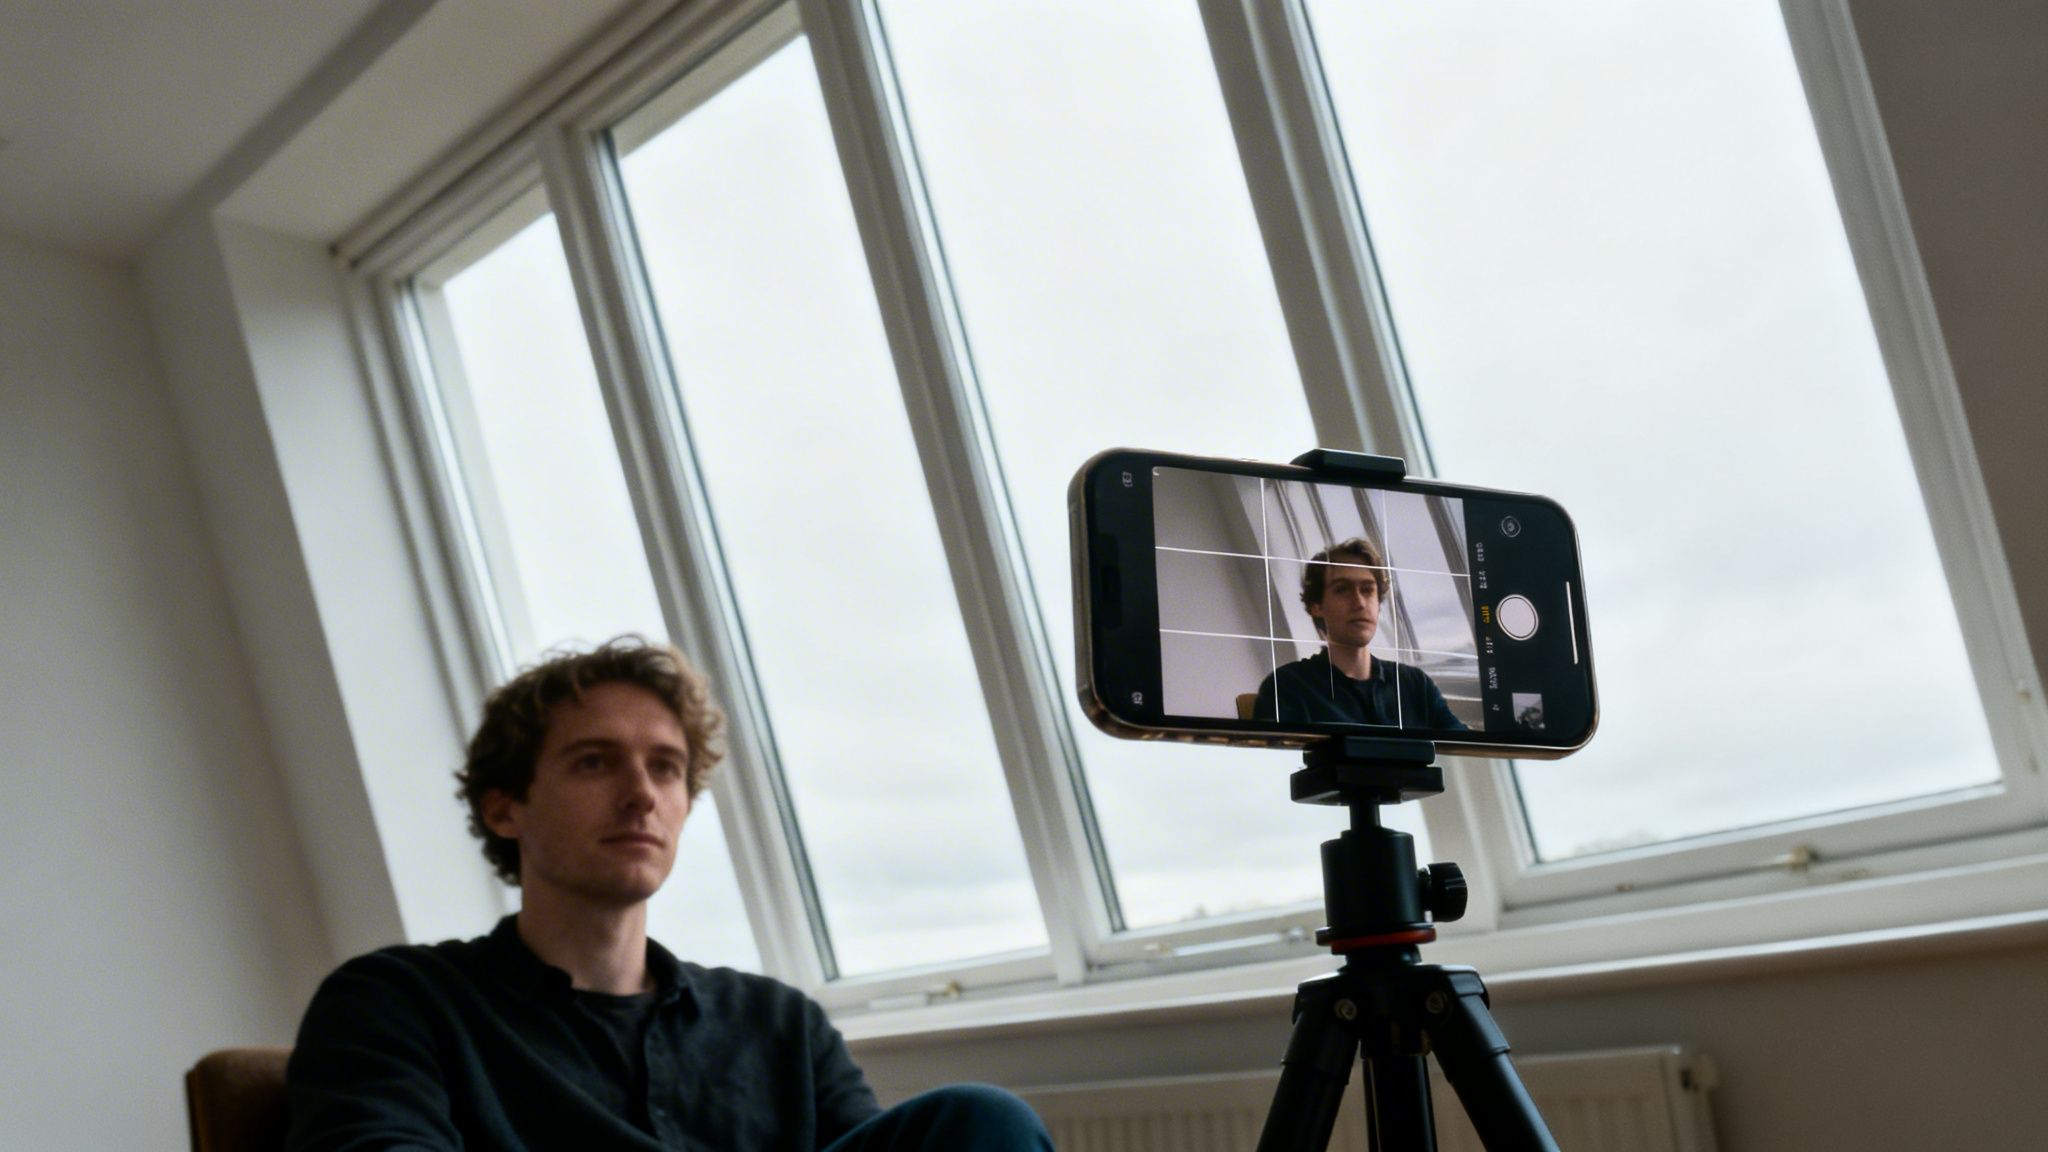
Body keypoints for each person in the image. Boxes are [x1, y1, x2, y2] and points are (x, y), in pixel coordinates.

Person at [286, 637, 1052, 1151]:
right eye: (594, 763)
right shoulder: (397, 1001)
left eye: (665, 768)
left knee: (982, 1122)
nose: (640, 796)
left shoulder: (779, 1024)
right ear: (503, 806)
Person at [1252, 537, 1468, 730]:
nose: (1359, 602)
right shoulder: (1288, 687)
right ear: (1316, 605)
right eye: (1342, 589)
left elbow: (1465, 750)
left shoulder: (1415, 684)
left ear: (1378, 602)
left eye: (1367, 590)